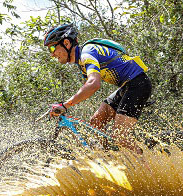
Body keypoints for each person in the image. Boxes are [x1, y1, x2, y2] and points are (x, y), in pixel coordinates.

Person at [44, 23, 152, 155]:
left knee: (120, 137)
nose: (52, 54)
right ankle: (110, 160)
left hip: (138, 84)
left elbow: (94, 84)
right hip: (127, 87)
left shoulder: (87, 53)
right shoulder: (81, 63)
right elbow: (86, 89)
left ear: (66, 43)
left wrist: (65, 105)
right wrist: (65, 104)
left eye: (52, 48)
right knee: (96, 122)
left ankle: (147, 167)